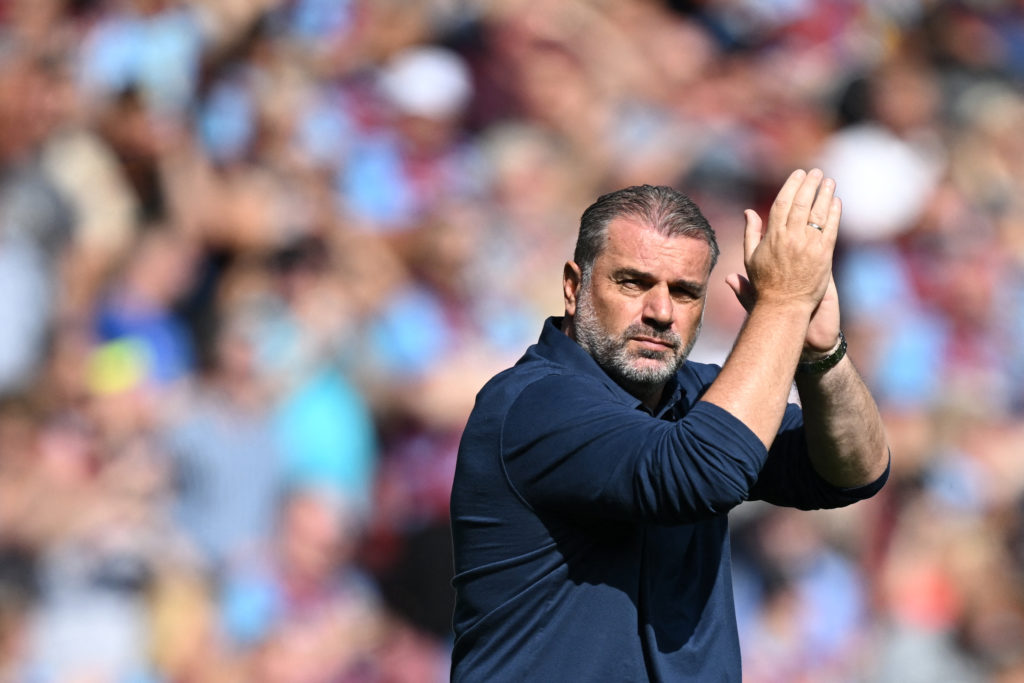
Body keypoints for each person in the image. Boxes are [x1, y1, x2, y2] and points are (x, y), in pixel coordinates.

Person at [448, 169, 890, 681]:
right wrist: (784, 303)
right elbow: (702, 472)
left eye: (684, 292)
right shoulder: (533, 404)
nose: (660, 312)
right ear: (573, 286)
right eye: (633, 282)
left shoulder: (699, 395)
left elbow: (854, 470)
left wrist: (819, 354)